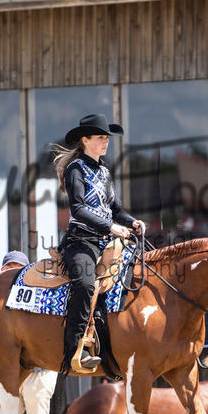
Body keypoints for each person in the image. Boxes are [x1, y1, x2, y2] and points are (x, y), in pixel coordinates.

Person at [53, 113, 145, 372]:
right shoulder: (75, 170)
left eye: (107, 138)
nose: (106, 142)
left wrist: (132, 222)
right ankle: (76, 349)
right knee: (85, 285)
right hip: (80, 243)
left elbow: (116, 209)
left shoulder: (104, 171)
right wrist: (111, 227)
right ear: (85, 140)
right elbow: (78, 210)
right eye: (100, 138)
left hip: (105, 242)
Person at [1, 250, 56, 414]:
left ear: (28, 271)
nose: (13, 271)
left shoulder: (42, 294)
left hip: (39, 370)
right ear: (1, 271)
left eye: (19, 268)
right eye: (9, 267)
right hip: (10, 373)